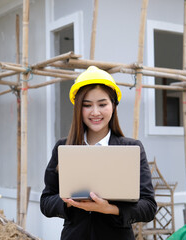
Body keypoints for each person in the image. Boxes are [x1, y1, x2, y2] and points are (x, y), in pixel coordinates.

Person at [40, 66, 157, 240]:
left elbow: (148, 207)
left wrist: (109, 209)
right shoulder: (64, 147)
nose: (95, 112)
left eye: (102, 104)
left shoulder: (131, 149)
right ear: (78, 108)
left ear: (113, 105)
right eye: (87, 105)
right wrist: (69, 202)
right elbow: (46, 203)